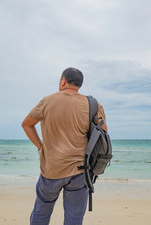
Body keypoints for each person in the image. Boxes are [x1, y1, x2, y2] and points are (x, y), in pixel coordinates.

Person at [22, 67, 107, 225]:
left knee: (41, 212)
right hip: (80, 171)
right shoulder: (93, 104)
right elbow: (103, 133)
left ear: (63, 81)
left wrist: (40, 147)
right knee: (74, 219)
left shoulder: (47, 101)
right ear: (79, 84)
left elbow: (27, 125)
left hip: (51, 170)